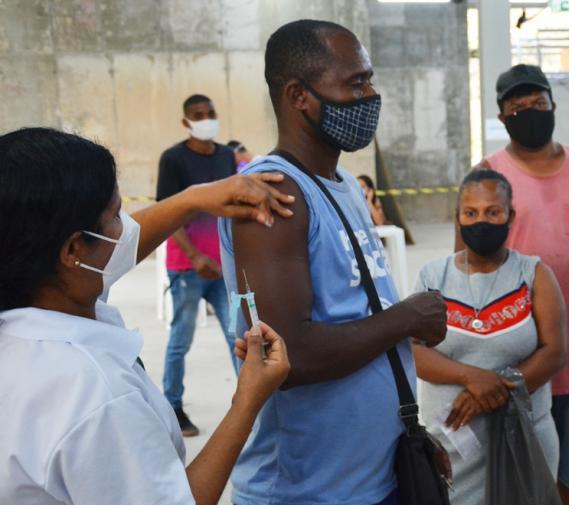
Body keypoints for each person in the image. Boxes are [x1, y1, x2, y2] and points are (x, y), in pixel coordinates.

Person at [219, 20, 448, 505]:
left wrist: (404, 431)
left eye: (369, 80)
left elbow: (358, 318)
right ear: (299, 96)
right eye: (355, 83)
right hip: (309, 492)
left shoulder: (341, 183)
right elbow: (289, 354)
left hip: (375, 476)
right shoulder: (274, 195)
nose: (370, 96)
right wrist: (408, 317)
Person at [0, 127, 293, 505]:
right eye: (116, 215)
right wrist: (247, 402)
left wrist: (193, 199)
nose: (125, 227)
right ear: (74, 249)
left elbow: (117, 249)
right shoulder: (95, 395)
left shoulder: (31, 304)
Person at [459, 63, 569, 505]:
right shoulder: (486, 174)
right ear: (502, 115)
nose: (529, 111)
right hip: (514, 362)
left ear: (553, 104)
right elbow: (466, 266)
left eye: (537, 102)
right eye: (517, 106)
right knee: (518, 485)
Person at [415, 169, 567, 504]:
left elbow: (555, 352)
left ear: (510, 215)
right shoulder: (432, 276)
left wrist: (494, 391)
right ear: (457, 218)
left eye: (492, 212)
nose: (481, 221)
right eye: (471, 213)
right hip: (453, 444)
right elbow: (413, 351)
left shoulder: (534, 274)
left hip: (524, 440)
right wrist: (473, 378)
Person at [156, 93, 239, 437]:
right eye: (198, 114)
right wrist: (194, 256)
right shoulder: (173, 159)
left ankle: (253, 404)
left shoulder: (226, 156)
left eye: (211, 112)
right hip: (187, 270)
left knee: (239, 335)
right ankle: (173, 407)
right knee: (181, 339)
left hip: (225, 271)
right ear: (186, 122)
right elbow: (169, 212)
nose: (206, 118)